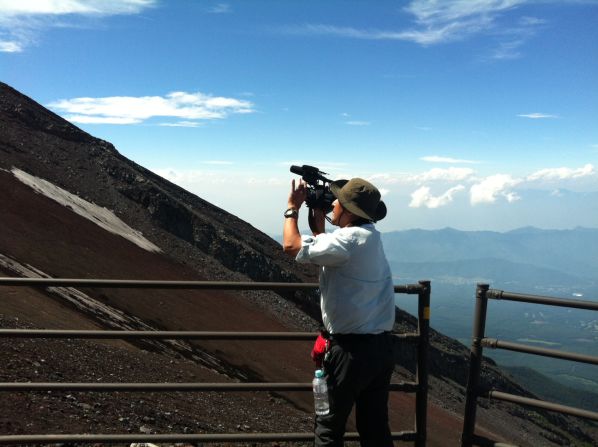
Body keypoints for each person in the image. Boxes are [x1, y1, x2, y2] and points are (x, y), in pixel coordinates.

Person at [283, 177, 396, 447]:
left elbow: (290, 246)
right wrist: (320, 228)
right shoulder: (369, 236)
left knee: (328, 428)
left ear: (348, 210)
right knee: (374, 428)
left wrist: (291, 208)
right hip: (380, 350)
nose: (332, 203)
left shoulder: (346, 242)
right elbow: (335, 252)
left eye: (338, 201)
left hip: (349, 354)